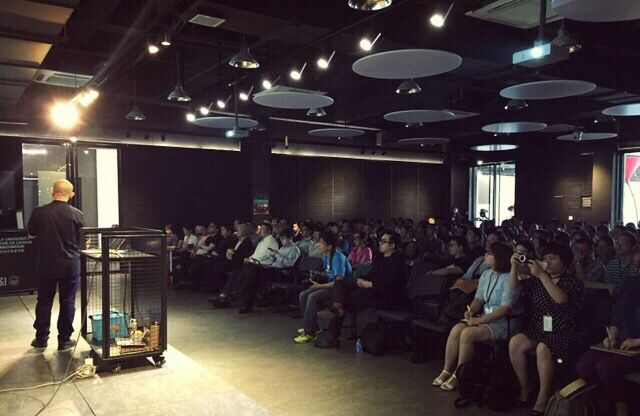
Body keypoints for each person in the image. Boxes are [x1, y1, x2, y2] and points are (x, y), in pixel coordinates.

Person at [508, 243, 584, 416]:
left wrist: (542, 275)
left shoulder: (573, 282)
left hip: (564, 331)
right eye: (545, 258)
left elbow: (561, 300)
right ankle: (525, 388)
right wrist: (514, 267)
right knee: (515, 343)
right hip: (539, 327)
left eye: (553, 258)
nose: (547, 262)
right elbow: (514, 287)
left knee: (543, 347)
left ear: (564, 262)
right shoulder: (536, 280)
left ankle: (543, 397)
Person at [433, 242, 519, 391]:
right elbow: (479, 299)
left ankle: (459, 374)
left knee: (467, 333)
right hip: (486, 318)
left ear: (499, 257)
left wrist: (478, 320)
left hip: (503, 323)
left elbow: (505, 309)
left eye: (489, 254)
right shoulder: (486, 274)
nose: (485, 255)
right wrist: (470, 311)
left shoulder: (509, 278)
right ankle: (446, 370)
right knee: (457, 329)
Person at [316, 231, 405, 348]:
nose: (380, 243)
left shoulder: (398, 261)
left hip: (384, 295)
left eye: (384, 241)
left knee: (346, 299)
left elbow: (392, 284)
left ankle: (334, 331)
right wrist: (362, 280)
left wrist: (370, 284)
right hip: (370, 288)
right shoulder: (379, 257)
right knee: (339, 283)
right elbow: (372, 274)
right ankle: (338, 307)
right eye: (380, 240)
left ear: (392, 245)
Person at [27, 179, 85, 350]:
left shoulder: (39, 212)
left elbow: (31, 234)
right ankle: (64, 340)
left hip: (46, 263)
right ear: (71, 194)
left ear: (52, 191)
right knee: (68, 301)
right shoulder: (77, 214)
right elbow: (82, 240)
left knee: (44, 300)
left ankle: (41, 338)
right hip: (70, 264)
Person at [576, 279, 640, 416]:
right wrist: (612, 336)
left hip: (636, 346)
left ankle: (621, 405)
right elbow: (618, 317)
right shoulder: (631, 285)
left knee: (606, 367)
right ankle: (602, 402)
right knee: (584, 365)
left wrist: (637, 341)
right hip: (623, 343)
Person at [294, 231, 353, 344]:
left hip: (341, 290)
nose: (318, 245)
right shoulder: (326, 256)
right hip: (331, 286)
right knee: (303, 295)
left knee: (312, 296)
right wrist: (319, 275)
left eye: (321, 243)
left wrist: (319, 286)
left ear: (329, 246)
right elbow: (329, 273)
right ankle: (312, 327)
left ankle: (309, 333)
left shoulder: (338, 258)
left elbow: (339, 282)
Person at [209, 223, 278, 309]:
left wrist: (250, 260)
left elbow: (266, 256)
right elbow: (256, 254)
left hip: (263, 266)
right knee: (236, 273)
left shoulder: (271, 241)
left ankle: (230, 296)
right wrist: (249, 258)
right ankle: (224, 296)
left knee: (242, 274)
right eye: (261, 228)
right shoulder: (262, 241)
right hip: (255, 264)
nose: (260, 230)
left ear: (269, 231)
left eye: (263, 228)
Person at [237, 229, 301, 313]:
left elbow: (289, 264)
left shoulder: (294, 249)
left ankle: (243, 293)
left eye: (284, 238)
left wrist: (277, 255)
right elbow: (276, 261)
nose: (282, 240)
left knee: (254, 274)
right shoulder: (282, 248)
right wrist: (272, 257)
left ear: (291, 238)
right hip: (273, 269)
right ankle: (246, 298)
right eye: (281, 238)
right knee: (253, 271)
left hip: (282, 273)